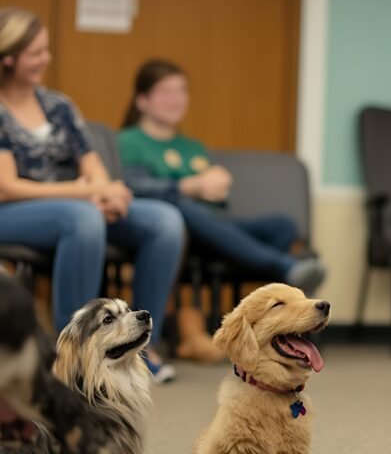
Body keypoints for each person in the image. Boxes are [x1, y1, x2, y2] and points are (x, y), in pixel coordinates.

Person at [0, 8, 184, 383]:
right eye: (36, 53)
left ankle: (138, 346)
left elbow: (92, 164)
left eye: (46, 50)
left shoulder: (58, 106)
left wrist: (105, 191)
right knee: (82, 219)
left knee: (164, 221)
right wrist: (87, 193)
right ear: (8, 58)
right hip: (14, 210)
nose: (46, 59)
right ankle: (73, 355)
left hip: (75, 206)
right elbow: (7, 186)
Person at [117, 60, 325, 300]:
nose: (176, 99)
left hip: (214, 228)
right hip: (177, 234)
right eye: (166, 92)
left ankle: (267, 296)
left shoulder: (192, 146)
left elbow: (216, 201)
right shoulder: (128, 140)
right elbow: (133, 187)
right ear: (142, 100)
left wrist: (218, 187)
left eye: (181, 91)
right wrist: (186, 187)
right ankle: (284, 266)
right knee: (183, 207)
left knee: (283, 226)